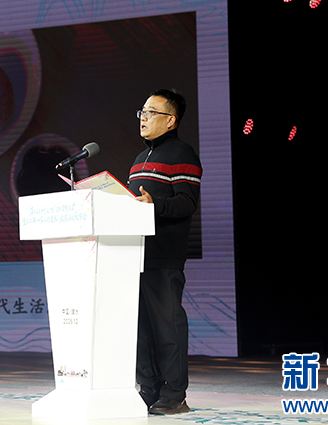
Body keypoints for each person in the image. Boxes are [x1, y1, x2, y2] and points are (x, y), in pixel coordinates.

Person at [127, 88, 202, 416]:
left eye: (151, 112)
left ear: (170, 120)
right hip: (132, 255)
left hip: (164, 254)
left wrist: (153, 204)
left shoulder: (181, 153)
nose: (143, 118)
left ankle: (174, 394)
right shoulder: (138, 159)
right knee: (141, 329)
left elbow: (187, 202)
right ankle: (149, 389)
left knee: (167, 327)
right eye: (142, 112)